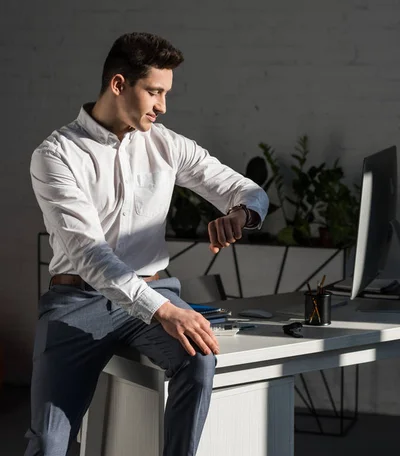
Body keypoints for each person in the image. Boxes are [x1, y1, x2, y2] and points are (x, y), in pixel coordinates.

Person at [25, 32, 269, 456]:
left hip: (153, 291)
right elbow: (89, 253)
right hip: (77, 302)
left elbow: (246, 189)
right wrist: (166, 311)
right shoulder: (57, 155)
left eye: (166, 93)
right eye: (154, 92)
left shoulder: (166, 144)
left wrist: (239, 214)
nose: (162, 106)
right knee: (49, 443)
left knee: (199, 361)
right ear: (119, 85)